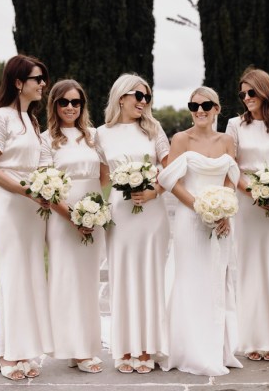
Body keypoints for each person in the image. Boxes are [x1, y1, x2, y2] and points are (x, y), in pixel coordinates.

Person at [158, 86, 243, 376]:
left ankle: (215, 346)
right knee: (189, 278)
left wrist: (224, 209)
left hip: (220, 220)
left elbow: (231, 178)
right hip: (189, 219)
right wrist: (200, 206)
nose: (200, 110)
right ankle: (188, 348)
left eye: (206, 105)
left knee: (216, 280)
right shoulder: (181, 139)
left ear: (217, 108)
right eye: (194, 105)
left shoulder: (228, 141)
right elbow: (171, 180)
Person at [0, 55, 53, 381]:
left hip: (33, 211)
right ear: (18, 82)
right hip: (9, 207)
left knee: (30, 277)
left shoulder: (34, 123)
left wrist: (49, 189)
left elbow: (43, 168)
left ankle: (24, 352)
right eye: (37, 79)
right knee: (11, 277)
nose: (43, 85)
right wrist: (28, 190)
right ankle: (7, 354)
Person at [95, 73, 170, 374]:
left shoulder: (154, 129)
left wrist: (154, 190)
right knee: (122, 277)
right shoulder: (101, 133)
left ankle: (147, 348)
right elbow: (100, 178)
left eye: (147, 97)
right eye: (138, 96)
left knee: (150, 277)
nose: (143, 102)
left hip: (152, 212)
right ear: (121, 97)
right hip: (120, 213)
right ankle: (125, 348)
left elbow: (170, 168)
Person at [226, 69, 269, 362]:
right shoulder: (234, 125)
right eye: (242, 94)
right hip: (246, 204)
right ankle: (252, 338)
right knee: (250, 267)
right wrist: (253, 193)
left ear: (265, 91)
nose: (246, 99)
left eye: (251, 92)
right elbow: (232, 166)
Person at [39, 79, 104, 373]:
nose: (70, 107)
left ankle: (86, 346)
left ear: (82, 105)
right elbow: (44, 186)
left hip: (93, 216)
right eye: (64, 102)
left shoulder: (93, 135)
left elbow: (103, 176)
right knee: (66, 280)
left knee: (88, 281)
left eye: (76, 102)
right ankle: (75, 349)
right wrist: (74, 215)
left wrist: (93, 210)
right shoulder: (46, 140)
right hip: (62, 217)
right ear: (54, 105)